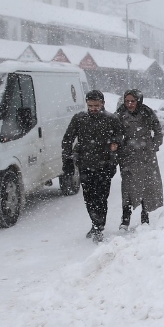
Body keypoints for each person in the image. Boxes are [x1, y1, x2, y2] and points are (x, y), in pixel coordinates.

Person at [61, 90, 123, 242]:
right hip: (85, 164)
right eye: (90, 105)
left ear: (103, 103)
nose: (93, 108)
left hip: (105, 165)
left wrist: (114, 148)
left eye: (96, 105)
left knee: (101, 198)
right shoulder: (80, 119)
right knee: (89, 198)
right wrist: (67, 158)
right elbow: (68, 138)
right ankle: (95, 223)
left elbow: (120, 138)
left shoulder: (112, 119)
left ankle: (98, 226)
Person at [116, 89, 164, 229]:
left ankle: (145, 215)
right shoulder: (120, 114)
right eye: (127, 101)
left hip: (146, 155)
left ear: (138, 101)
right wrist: (118, 147)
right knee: (128, 187)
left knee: (146, 185)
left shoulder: (147, 113)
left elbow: (158, 130)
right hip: (128, 156)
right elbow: (113, 132)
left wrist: (154, 145)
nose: (129, 104)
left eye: (132, 101)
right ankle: (125, 218)